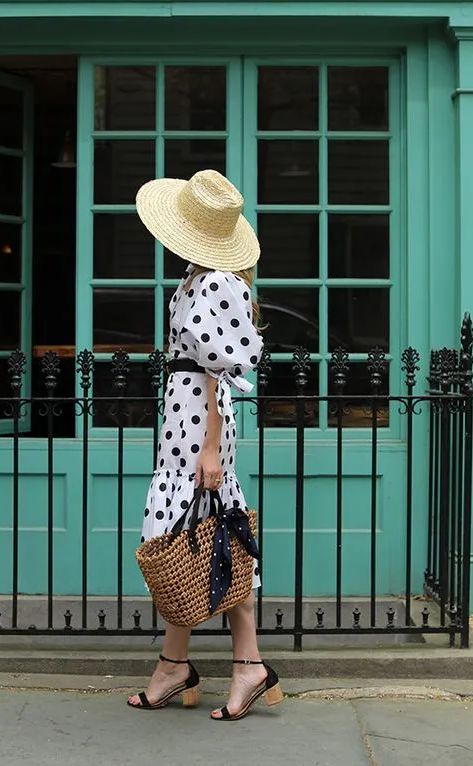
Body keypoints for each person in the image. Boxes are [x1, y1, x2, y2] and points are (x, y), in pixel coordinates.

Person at [127, 169, 283, 721]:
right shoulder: (200, 277)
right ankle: (186, 664)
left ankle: (239, 666)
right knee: (196, 540)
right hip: (185, 416)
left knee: (209, 539)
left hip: (200, 422)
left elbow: (220, 370)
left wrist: (212, 447)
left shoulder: (218, 283)